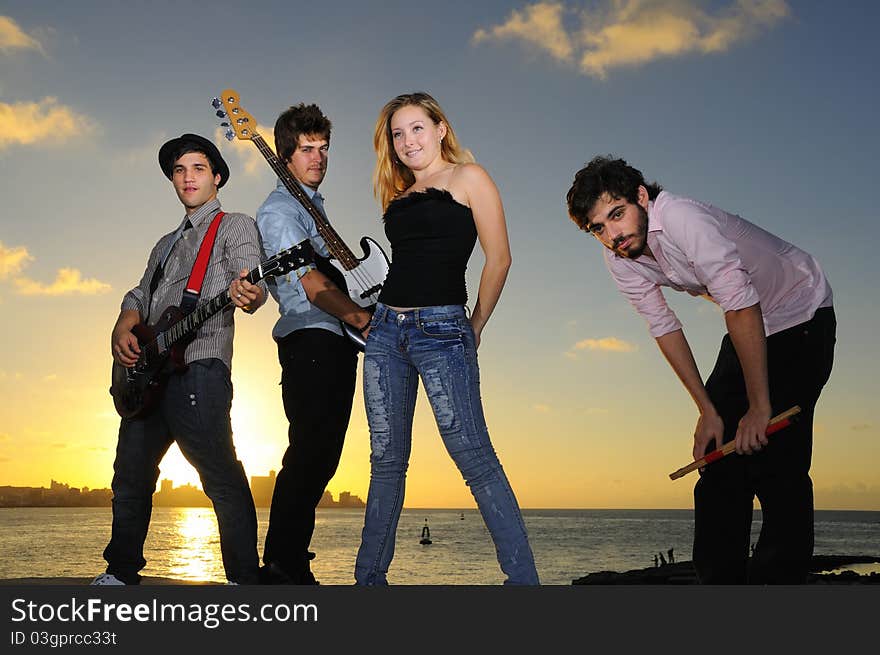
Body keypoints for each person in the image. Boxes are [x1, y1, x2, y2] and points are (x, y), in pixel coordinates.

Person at [566, 156, 835, 584]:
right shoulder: (620, 259)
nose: (611, 234)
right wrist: (707, 409)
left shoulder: (681, 217)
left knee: (777, 462)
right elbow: (665, 327)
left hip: (801, 312)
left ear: (641, 197)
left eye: (616, 215)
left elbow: (740, 305)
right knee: (716, 464)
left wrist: (761, 407)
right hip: (750, 321)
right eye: (597, 227)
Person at [354, 92, 539, 585]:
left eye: (416, 128)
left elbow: (499, 259)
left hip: (443, 330)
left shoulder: (469, 178)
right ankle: (367, 583)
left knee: (473, 455)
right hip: (385, 332)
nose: (407, 140)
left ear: (440, 128)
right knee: (386, 461)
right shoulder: (396, 195)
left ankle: (524, 585)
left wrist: (474, 325)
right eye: (397, 133)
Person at [93, 133, 266, 585]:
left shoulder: (236, 225)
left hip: (201, 368)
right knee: (129, 474)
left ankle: (245, 583)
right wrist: (123, 322)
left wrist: (251, 292)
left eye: (198, 169)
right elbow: (139, 294)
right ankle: (121, 573)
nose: (188, 178)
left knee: (220, 476)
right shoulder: (164, 244)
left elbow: (253, 281)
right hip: (147, 377)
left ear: (217, 177)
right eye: (179, 170)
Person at [256, 103, 372, 585]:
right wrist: (359, 317)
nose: (319, 158)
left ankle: (292, 556)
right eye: (307, 149)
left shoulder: (312, 206)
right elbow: (307, 283)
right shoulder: (280, 210)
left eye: (324, 149)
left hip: (336, 337)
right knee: (308, 453)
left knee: (323, 456)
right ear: (286, 156)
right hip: (311, 337)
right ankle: (282, 564)